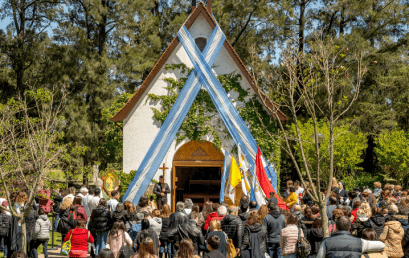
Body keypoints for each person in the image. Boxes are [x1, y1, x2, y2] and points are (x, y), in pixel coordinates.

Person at [316, 216, 385, 258]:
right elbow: (381, 245)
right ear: (349, 227)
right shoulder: (360, 242)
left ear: (336, 227)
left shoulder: (326, 242)